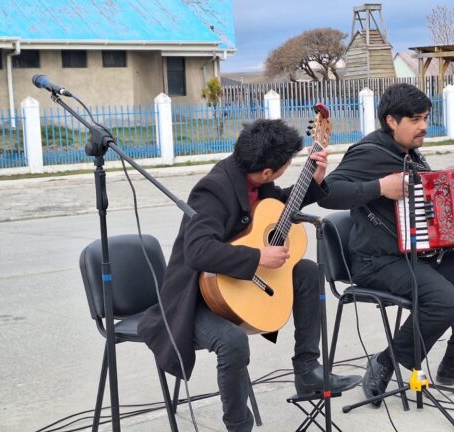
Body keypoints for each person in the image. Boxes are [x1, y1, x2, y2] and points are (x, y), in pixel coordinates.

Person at [139, 119, 361, 432]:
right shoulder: (212, 189)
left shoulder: (255, 178)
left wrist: (313, 182)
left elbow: (275, 208)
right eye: (287, 165)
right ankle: (238, 426)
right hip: (197, 297)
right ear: (267, 172)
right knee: (232, 341)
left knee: (307, 271)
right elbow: (198, 251)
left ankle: (307, 370)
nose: (288, 168)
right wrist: (258, 257)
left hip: (237, 285)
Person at [317, 83, 454, 405]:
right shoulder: (369, 153)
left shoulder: (410, 154)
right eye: (415, 119)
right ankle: (385, 361)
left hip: (417, 255)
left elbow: (429, 198)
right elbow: (328, 193)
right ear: (391, 121)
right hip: (377, 262)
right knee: (446, 301)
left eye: (426, 118)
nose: (424, 126)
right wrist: (380, 187)